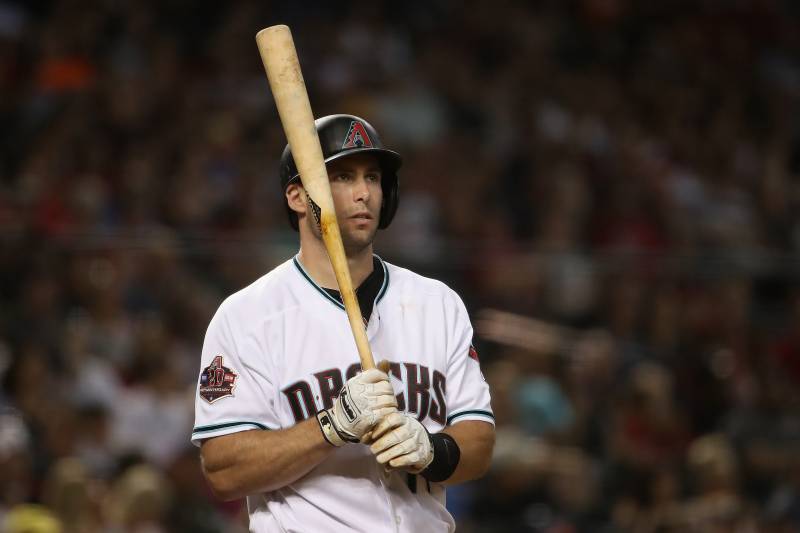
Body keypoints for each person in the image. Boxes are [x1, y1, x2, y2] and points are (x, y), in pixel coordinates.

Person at [191, 114, 495, 532]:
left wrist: (431, 450)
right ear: (297, 197)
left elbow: (479, 440)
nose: (363, 193)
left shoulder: (437, 303)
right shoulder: (247, 315)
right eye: (342, 177)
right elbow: (223, 470)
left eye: (373, 178)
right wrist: (331, 425)